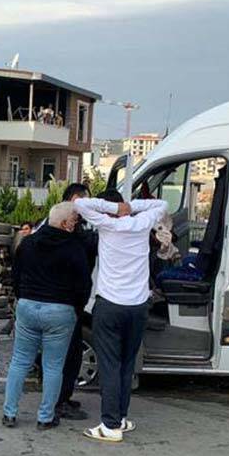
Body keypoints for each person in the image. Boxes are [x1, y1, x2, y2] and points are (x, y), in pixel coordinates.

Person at [74, 190, 169, 443]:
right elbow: (162, 204)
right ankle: (121, 417)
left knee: (110, 366)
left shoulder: (106, 225)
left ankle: (110, 425)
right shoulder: (142, 223)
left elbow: (80, 203)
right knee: (127, 364)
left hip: (110, 305)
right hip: (138, 307)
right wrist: (131, 207)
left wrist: (115, 209)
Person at [1, 202, 91, 430]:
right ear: (64, 223)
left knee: (20, 361)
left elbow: (16, 275)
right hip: (60, 310)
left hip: (28, 306)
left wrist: (23, 298)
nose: (76, 224)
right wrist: (76, 309)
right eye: (74, 220)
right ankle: (45, 417)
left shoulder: (28, 243)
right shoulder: (74, 247)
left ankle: (9, 413)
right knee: (53, 366)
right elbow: (83, 284)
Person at [55, 182, 99, 421]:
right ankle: (59, 401)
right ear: (74, 199)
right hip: (66, 299)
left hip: (73, 299)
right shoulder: (63, 228)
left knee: (72, 352)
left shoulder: (75, 226)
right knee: (67, 353)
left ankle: (64, 396)